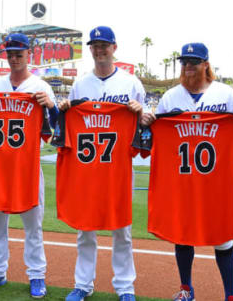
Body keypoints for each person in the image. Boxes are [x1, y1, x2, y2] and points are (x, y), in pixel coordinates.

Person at [141, 42, 233, 301]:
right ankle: (186, 288)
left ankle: (231, 295)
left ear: (206, 64)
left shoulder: (225, 94)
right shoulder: (170, 97)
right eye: (185, 62)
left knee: (222, 238)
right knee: (183, 233)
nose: (188, 67)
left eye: (194, 62)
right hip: (182, 179)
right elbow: (158, 135)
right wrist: (149, 123)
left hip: (216, 181)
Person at [0, 32, 58, 299]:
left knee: (33, 225)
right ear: (6, 56)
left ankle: (37, 276)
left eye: (19, 53)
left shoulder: (40, 86)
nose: (15, 58)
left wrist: (50, 107)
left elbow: (55, 128)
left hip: (27, 167)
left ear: (29, 55)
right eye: (11, 53)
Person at [58, 26, 144, 301]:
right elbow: (69, 121)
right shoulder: (81, 84)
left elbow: (144, 126)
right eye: (95, 45)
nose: (99, 49)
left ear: (114, 48)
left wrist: (140, 112)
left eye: (104, 45)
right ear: (91, 50)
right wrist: (63, 109)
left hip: (118, 167)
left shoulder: (131, 83)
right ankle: (83, 284)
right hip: (87, 168)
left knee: (123, 230)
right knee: (85, 229)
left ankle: (125, 286)